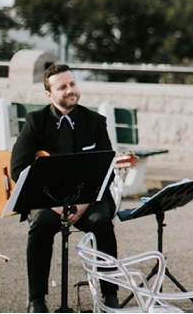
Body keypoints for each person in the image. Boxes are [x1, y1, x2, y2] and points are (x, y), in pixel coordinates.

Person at [10, 64, 119, 313]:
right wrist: (54, 204)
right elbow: (18, 169)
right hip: (47, 198)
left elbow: (107, 168)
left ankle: (110, 294)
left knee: (102, 222)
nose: (70, 90)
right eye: (62, 87)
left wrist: (83, 203)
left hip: (87, 197)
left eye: (72, 84)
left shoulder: (94, 122)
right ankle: (36, 300)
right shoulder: (36, 122)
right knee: (41, 225)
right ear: (49, 94)